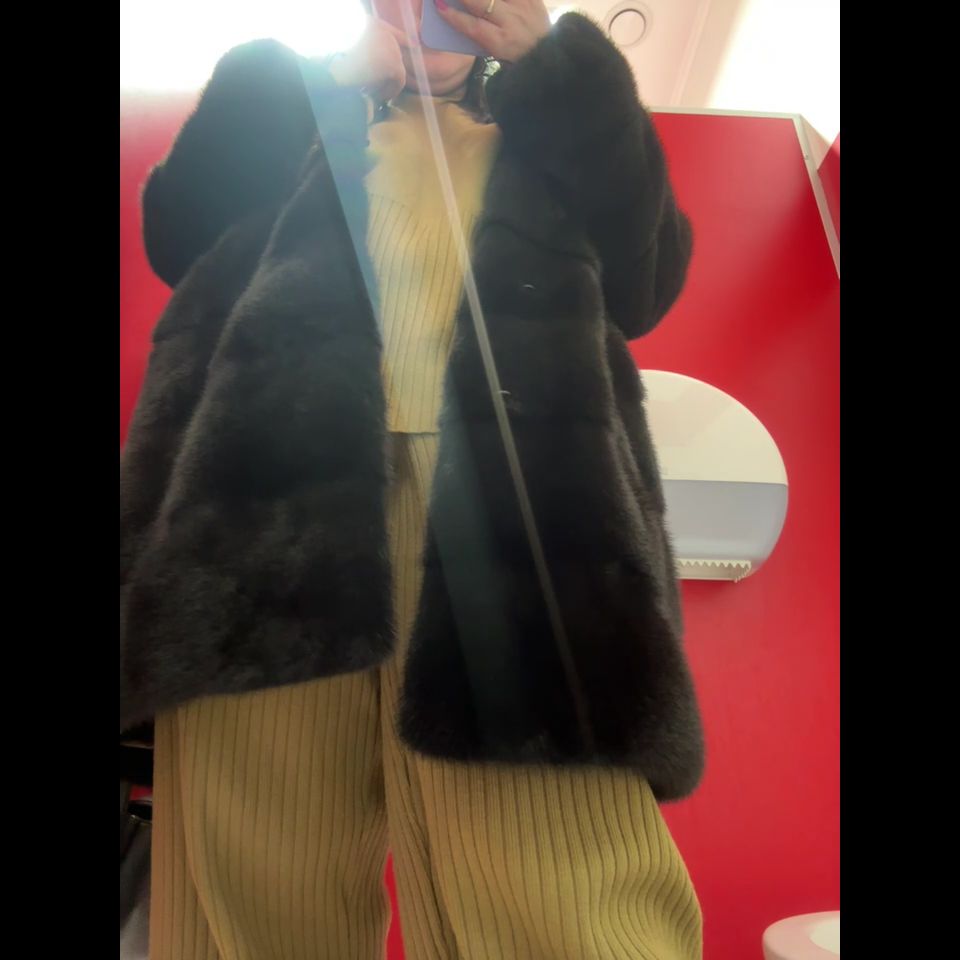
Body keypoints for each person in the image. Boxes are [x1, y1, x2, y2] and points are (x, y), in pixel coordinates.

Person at [119, 1, 706, 957]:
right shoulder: (295, 106)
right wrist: (324, 82)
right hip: (263, 509)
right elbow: (177, 232)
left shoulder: (549, 127)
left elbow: (647, 284)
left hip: (516, 514)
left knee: (560, 877)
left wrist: (555, 69)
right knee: (257, 864)